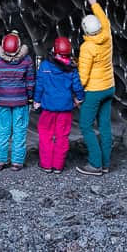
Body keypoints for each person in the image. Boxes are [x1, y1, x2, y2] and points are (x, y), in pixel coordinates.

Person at [76, 0, 115, 176]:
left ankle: (95, 164)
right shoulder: (107, 34)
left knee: (85, 125)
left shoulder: (87, 47)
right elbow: (104, 19)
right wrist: (94, 3)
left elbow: (83, 75)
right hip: (109, 87)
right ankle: (106, 163)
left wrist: (77, 95)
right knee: (105, 126)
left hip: (94, 91)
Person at [33, 37, 85, 173]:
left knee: (45, 134)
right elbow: (77, 85)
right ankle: (58, 165)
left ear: (54, 50)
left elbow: (39, 85)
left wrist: (36, 100)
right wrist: (80, 98)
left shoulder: (45, 65)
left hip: (48, 107)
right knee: (62, 136)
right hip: (65, 108)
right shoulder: (71, 68)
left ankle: (46, 165)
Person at [0, 30, 35, 171]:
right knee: (19, 131)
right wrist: (30, 98)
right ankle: (17, 162)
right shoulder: (27, 61)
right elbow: (30, 82)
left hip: (2, 101)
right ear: (19, 46)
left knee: (2, 131)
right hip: (21, 102)